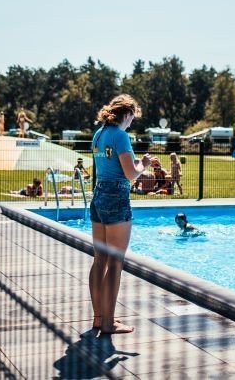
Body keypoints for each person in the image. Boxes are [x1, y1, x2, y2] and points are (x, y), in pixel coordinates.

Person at [89, 94, 152, 335]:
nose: (131, 123)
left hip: (99, 196)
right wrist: (143, 164)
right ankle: (108, 323)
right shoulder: (120, 135)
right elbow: (130, 174)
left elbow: (110, 166)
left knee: (99, 260)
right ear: (126, 114)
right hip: (116, 198)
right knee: (115, 262)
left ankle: (98, 319)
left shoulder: (99, 133)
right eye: (132, 118)